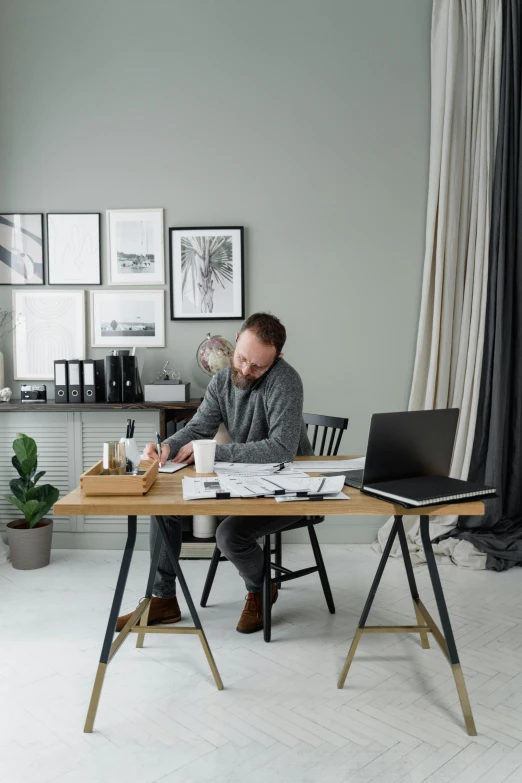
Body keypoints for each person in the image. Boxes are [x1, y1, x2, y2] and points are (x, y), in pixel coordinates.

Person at [116, 312, 314, 634]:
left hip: (290, 485)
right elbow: (198, 427)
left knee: (228, 535)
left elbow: (281, 449)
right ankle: (162, 600)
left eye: (258, 366)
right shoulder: (222, 381)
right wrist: (166, 446)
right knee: (163, 508)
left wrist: (212, 451)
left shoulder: (286, 382)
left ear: (277, 358)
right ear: (236, 341)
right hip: (247, 478)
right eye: (242, 359)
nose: (246, 371)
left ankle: (262, 587)